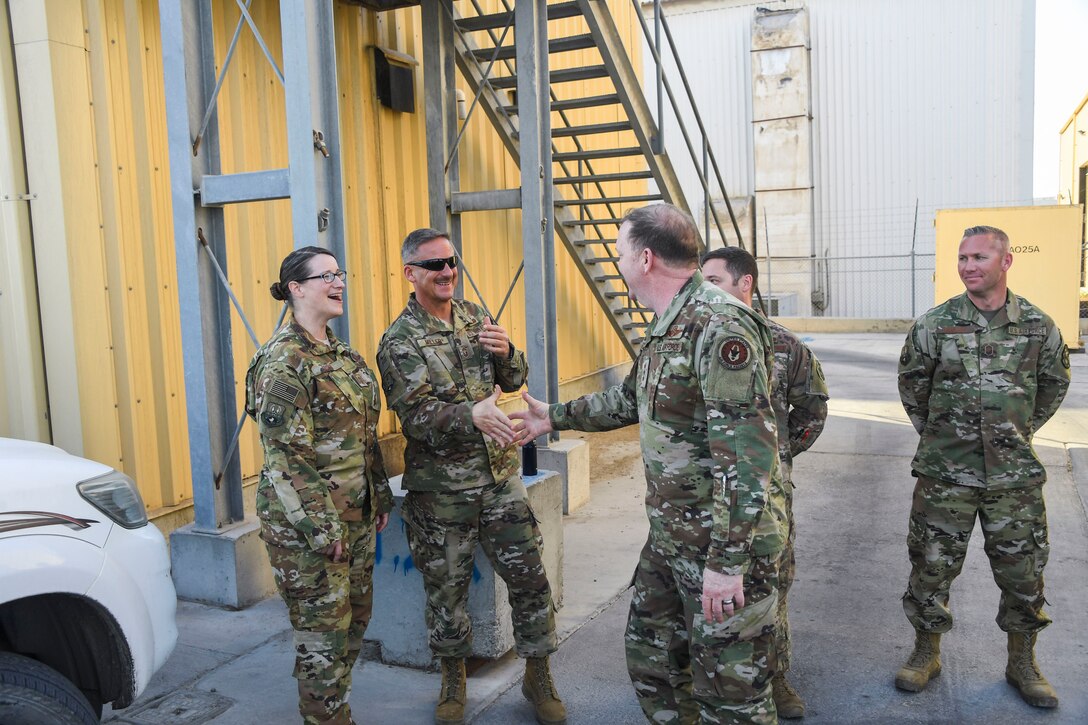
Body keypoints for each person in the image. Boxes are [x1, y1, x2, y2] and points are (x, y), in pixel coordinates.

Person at [513, 204, 785, 724]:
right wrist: (555, 416)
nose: (615, 262)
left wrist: (727, 566)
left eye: (618, 253)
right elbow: (628, 401)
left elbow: (748, 458)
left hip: (720, 545)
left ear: (644, 258)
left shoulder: (719, 326)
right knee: (653, 661)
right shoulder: (669, 324)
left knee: (733, 696)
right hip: (671, 537)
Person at [376, 228, 565, 725]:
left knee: (529, 580)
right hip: (443, 494)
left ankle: (538, 673)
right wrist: (469, 416)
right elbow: (414, 418)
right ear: (411, 273)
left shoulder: (476, 317)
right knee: (446, 592)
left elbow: (515, 380)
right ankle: (453, 678)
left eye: (452, 261)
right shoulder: (400, 341)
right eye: (434, 265)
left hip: (501, 482)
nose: (447, 272)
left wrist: (506, 352)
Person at [895, 225, 1070, 708]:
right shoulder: (936, 324)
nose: (968, 266)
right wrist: (944, 436)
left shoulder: (1038, 326)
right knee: (930, 567)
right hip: (944, 475)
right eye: (962, 257)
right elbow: (913, 387)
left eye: (978, 257)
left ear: (1006, 262)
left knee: (1024, 572)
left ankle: (1022, 662)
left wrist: (1014, 434)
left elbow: (1053, 385)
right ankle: (925, 653)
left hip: (1013, 479)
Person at [244, 246, 393, 725]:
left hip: (356, 517)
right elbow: (287, 459)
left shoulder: (342, 354)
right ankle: (327, 717)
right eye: (326, 275)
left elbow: (364, 436)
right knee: (322, 641)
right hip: (310, 531)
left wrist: (380, 495)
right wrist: (324, 530)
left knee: (353, 626)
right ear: (296, 287)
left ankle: (332, 709)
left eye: (340, 273)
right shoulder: (284, 364)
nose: (339, 282)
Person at [702, 246, 828, 719]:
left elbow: (813, 409)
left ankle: (776, 678)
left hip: (766, 501)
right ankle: (715, 681)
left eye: (713, 281)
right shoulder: (699, 338)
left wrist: (778, 457)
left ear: (744, 284)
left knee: (773, 586)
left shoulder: (784, 345)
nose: (703, 290)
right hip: (708, 498)